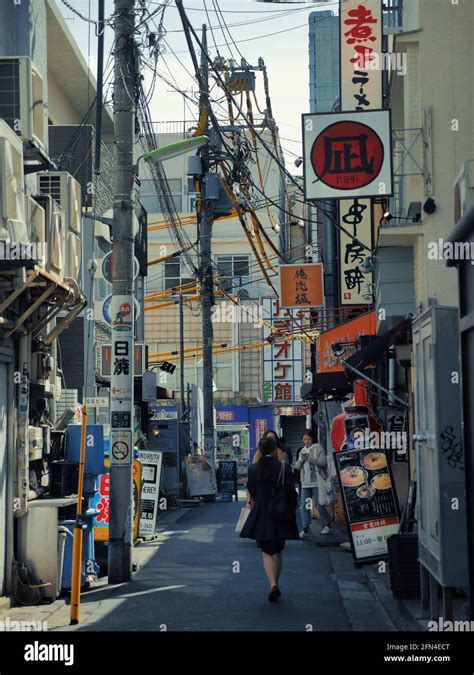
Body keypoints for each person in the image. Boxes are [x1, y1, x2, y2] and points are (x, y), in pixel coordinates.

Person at [240, 435, 299, 602]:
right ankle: (276, 583)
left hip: (262, 514)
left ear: (259, 450)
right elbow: (291, 492)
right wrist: (292, 509)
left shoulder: (253, 468)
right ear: (275, 450)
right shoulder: (284, 467)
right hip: (281, 513)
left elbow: (252, 490)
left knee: (266, 551)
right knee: (278, 550)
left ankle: (272, 584)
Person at [295, 428, 332, 537]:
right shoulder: (302, 450)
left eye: (308, 439)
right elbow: (297, 467)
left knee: (319, 504)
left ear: (313, 439)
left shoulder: (318, 447)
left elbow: (323, 462)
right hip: (305, 483)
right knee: (304, 506)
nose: (306, 442)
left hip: (317, 482)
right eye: (304, 439)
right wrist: (301, 459)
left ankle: (327, 525)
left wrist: (309, 458)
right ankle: (305, 528)